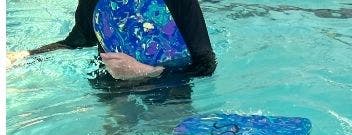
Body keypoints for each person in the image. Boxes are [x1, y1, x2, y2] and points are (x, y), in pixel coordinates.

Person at [6, 0, 216, 81]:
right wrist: (27, 55)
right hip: (113, 85)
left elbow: (205, 64)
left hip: (168, 86)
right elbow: (75, 42)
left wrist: (145, 71)